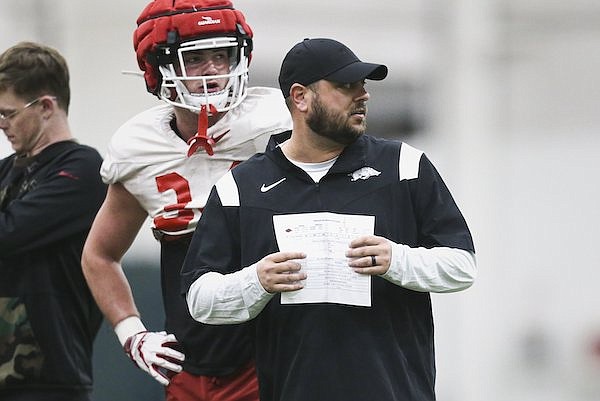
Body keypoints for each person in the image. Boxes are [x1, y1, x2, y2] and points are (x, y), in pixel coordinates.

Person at [182, 37, 478, 401]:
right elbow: (199, 299)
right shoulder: (240, 186)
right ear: (301, 97)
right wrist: (256, 281)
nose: (363, 95)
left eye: (363, 85)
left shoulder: (404, 167)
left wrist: (396, 260)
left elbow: (463, 266)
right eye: (345, 86)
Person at [80, 0, 291, 400]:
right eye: (195, 59)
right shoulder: (139, 148)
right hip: (190, 362)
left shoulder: (281, 125)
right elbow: (99, 255)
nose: (213, 71)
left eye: (222, 55)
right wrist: (132, 332)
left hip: (275, 353)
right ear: (157, 66)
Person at [0, 42, 107, 401]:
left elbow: (8, 232)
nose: (3, 125)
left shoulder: (82, 169)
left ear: (46, 106)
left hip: (48, 378)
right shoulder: (6, 172)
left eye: (9, 114)